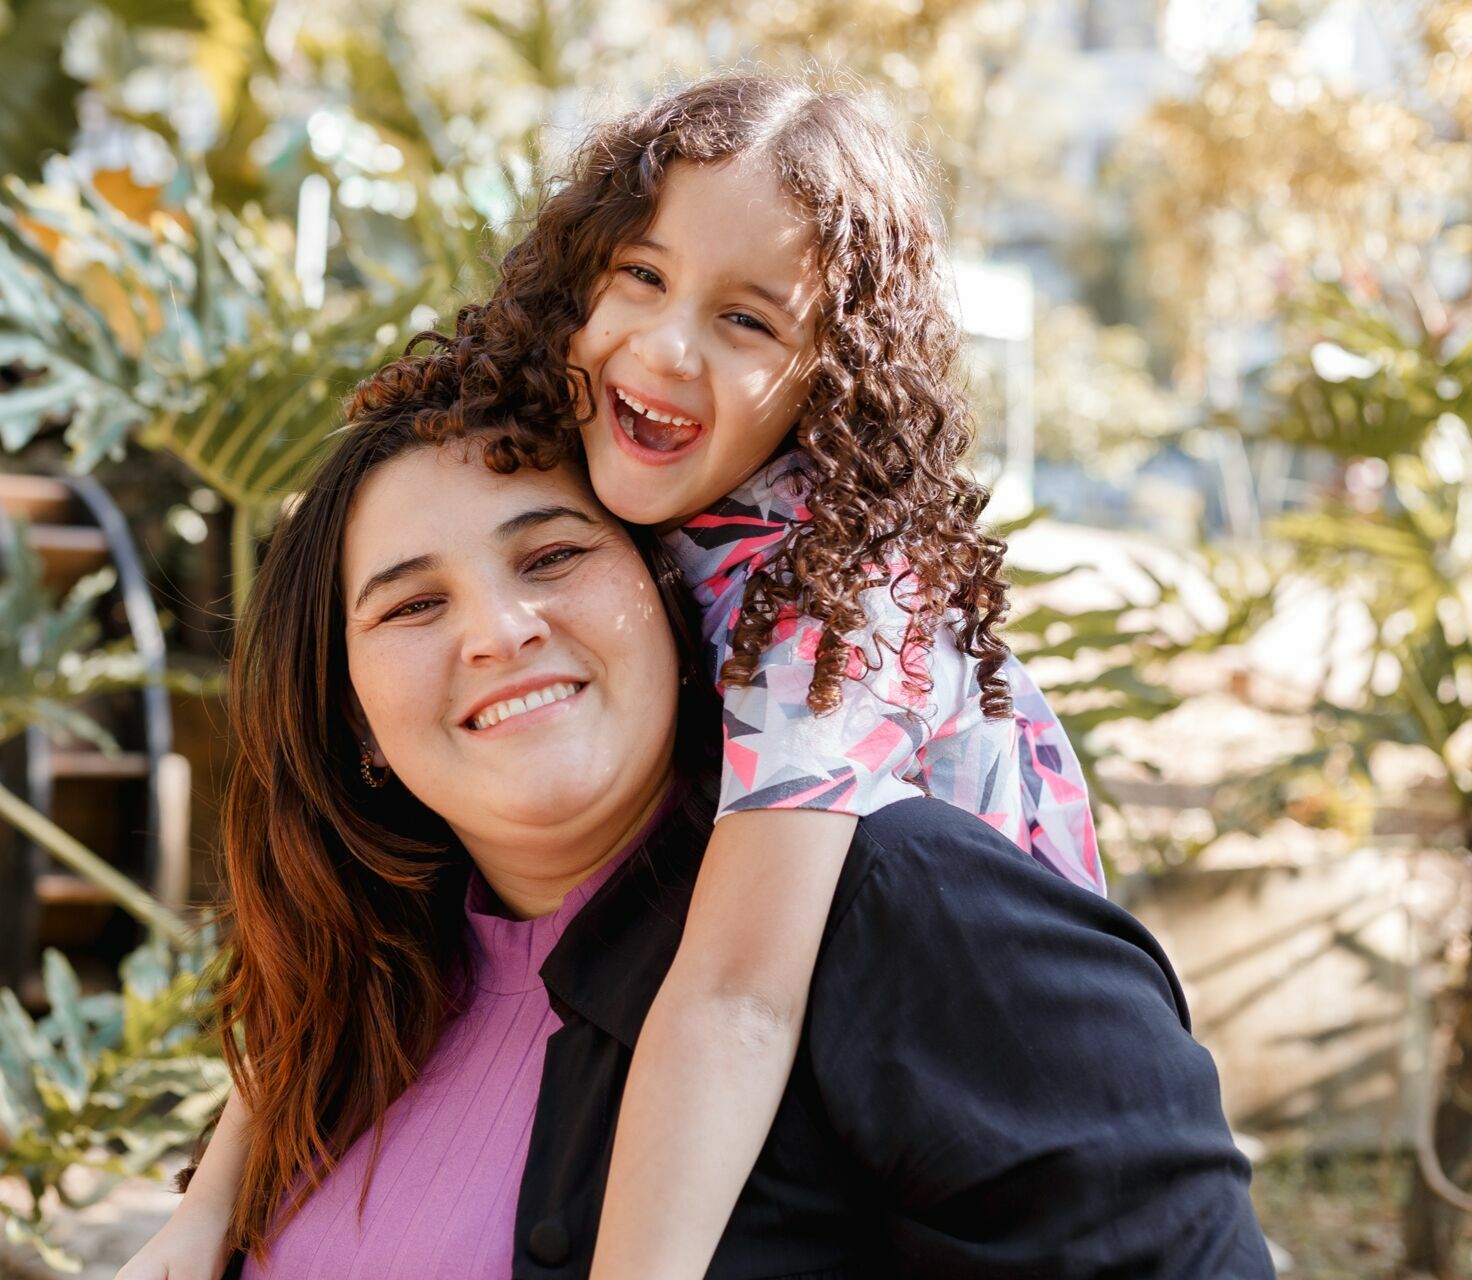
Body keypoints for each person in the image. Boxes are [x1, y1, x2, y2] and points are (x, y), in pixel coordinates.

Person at [115, 392, 1274, 1278]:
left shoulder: (895, 896)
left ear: (680, 603)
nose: (500, 631)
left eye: (553, 555)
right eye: (414, 604)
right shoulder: (357, 985)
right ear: (354, 717)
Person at [400, 72, 1103, 1276]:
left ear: (830, 374)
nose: (666, 345)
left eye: (748, 320)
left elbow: (737, 994)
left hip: (992, 1122)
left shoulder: (840, 597)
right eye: (642, 272)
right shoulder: (603, 474)